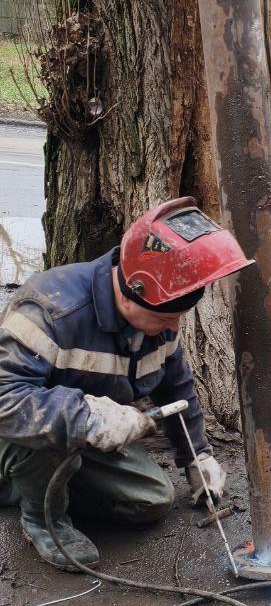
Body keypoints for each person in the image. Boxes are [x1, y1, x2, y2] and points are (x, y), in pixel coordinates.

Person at [0, 198, 253, 570]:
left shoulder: (157, 316)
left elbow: (176, 386)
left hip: (81, 439)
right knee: (47, 439)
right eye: (166, 318)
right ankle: (43, 517)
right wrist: (86, 417)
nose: (174, 329)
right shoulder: (51, 310)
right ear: (131, 292)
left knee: (150, 501)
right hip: (22, 434)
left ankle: (27, 487)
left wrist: (196, 455)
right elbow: (6, 401)